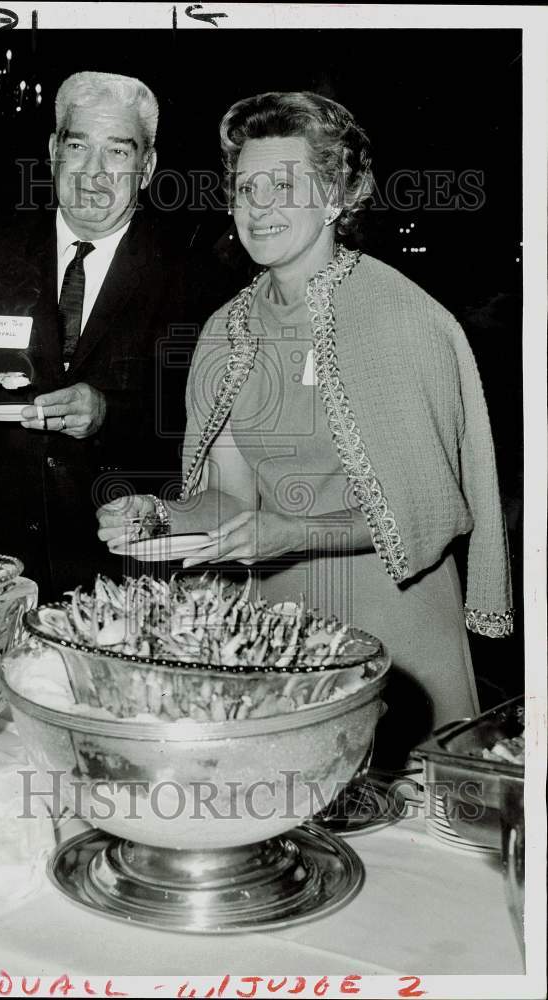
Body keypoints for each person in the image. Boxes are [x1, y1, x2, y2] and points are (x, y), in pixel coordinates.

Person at [98, 91, 513, 764]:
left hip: (396, 638)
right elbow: (231, 499)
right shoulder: (228, 329)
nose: (258, 205)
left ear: (335, 196)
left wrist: (294, 533)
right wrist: (160, 517)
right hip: (283, 642)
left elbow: (426, 515)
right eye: (245, 186)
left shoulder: (400, 317)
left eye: (283, 185)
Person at [0, 71, 210, 600]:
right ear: (52, 152)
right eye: (78, 146)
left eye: (118, 152)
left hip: (128, 570)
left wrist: (107, 413)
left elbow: (203, 427)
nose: (94, 172)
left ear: (147, 167)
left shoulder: (193, 278)